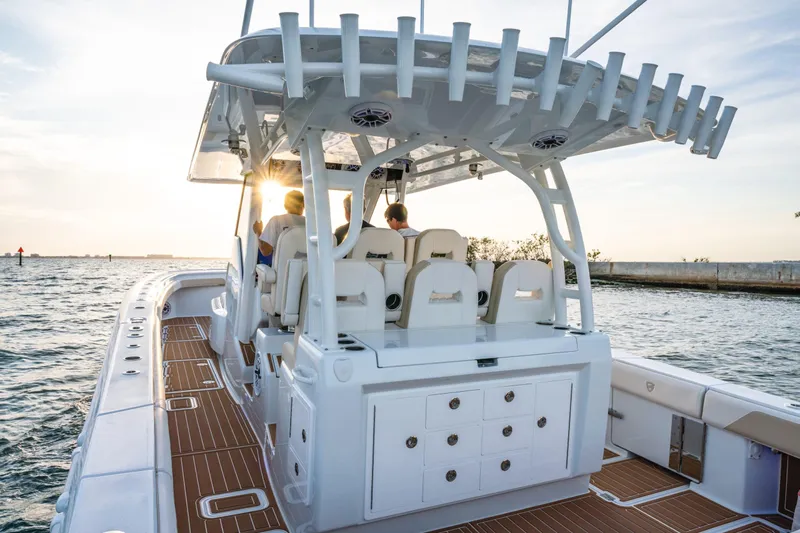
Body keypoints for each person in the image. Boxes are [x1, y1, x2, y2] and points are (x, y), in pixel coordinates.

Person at [253, 190, 305, 265]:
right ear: (303, 205)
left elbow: (265, 251)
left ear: (285, 205)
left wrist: (258, 231)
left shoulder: (276, 221)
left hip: (282, 274)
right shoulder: (310, 224)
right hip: (307, 274)